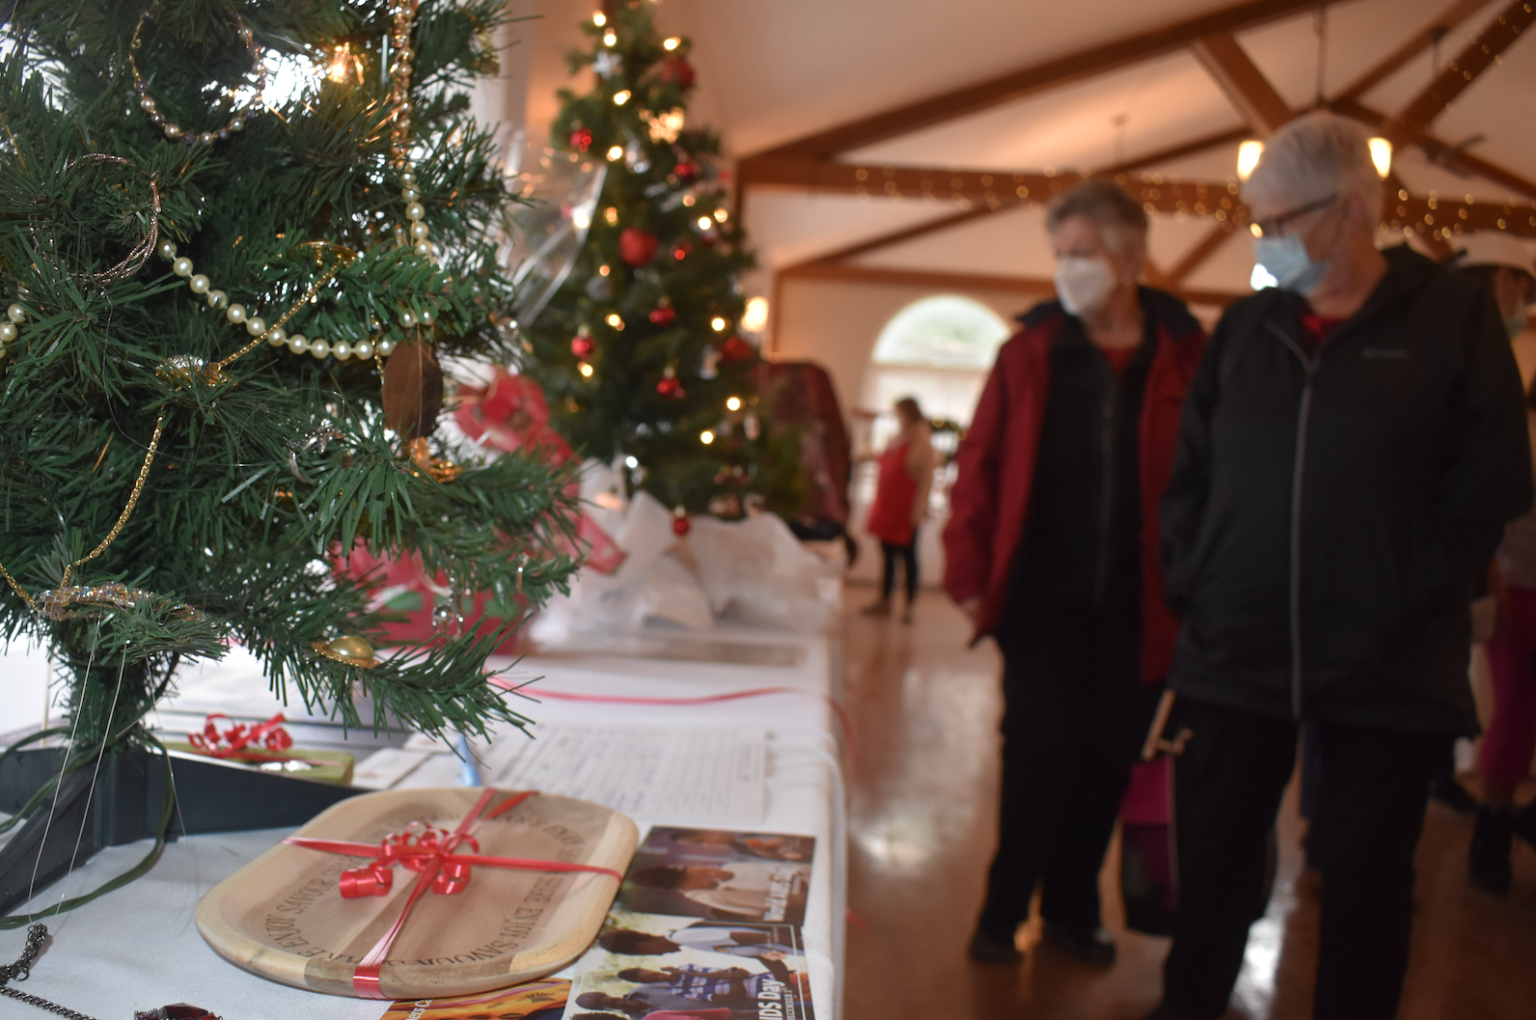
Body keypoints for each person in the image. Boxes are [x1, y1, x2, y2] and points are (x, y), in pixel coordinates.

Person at [1148, 112, 1532, 1020]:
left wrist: (1409, 589)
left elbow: (1492, 482)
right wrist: (1194, 582)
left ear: (1354, 209)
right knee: (1213, 868)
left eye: (1279, 224)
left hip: (1386, 661)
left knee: (1365, 881)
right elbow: (1188, 478)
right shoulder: (1247, 328)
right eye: (1258, 226)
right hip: (1235, 652)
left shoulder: (1453, 319)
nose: (1265, 245)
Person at [943, 178, 1207, 966]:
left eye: (1083, 253)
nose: (1068, 270)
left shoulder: (1187, 356)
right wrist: (965, 571)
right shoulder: (1028, 353)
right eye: (1060, 255)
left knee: (1105, 766)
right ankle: (1000, 913)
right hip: (1041, 606)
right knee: (1037, 757)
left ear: (1129, 258)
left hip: (1141, 610)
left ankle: (1070, 910)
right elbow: (978, 464)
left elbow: (1209, 479)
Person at [1454, 233, 1536, 894]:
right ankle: (1492, 829)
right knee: (1515, 705)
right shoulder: (1492, 367)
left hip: (1504, 563)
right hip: (1512, 567)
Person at [861, 396, 935, 621]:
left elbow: (925, 479)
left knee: (908, 557)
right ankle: (885, 600)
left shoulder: (922, 440)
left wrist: (919, 511)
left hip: (906, 510)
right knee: (887, 555)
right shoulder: (897, 438)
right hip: (888, 508)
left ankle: (909, 606)